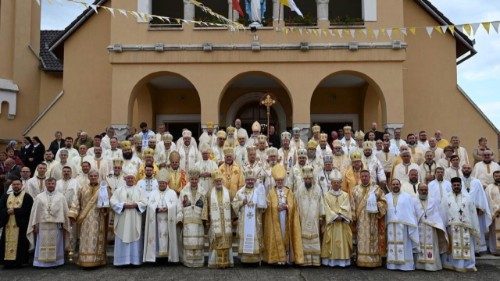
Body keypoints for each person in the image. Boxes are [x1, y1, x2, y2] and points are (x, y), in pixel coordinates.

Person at [262, 165, 304, 265]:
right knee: (277, 235)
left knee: (285, 235)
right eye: (277, 181)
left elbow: (294, 205)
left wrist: (287, 207)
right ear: (275, 181)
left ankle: (287, 258)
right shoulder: (271, 193)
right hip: (275, 219)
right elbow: (267, 207)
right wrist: (276, 208)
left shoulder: (289, 192)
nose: (279, 182)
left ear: (283, 180)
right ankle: (276, 258)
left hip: (286, 218)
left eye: (281, 181)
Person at [68, 169, 110, 268]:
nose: (93, 178)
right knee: (85, 239)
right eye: (91, 176)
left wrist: (105, 209)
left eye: (95, 176)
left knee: (96, 239)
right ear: (88, 177)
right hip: (85, 218)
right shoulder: (82, 188)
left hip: (98, 218)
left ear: (98, 177)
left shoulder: (103, 189)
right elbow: (76, 201)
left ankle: (98, 260)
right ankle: (83, 260)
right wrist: (73, 214)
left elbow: (108, 203)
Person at [27, 177, 70, 268]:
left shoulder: (61, 196)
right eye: (49, 184)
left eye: (52, 184)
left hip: (56, 225)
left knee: (57, 244)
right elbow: (35, 212)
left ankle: (56, 262)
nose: (50, 185)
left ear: (55, 184)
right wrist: (35, 225)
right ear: (46, 185)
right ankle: (41, 263)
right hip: (42, 225)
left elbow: (65, 211)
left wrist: (64, 223)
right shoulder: (39, 197)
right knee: (41, 243)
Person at [442, 177, 480, 272]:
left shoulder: (468, 197)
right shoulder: (446, 197)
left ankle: (468, 265)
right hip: (452, 226)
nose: (456, 187)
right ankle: (453, 265)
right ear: (451, 186)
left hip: (466, 227)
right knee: (453, 246)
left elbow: (472, 212)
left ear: (461, 185)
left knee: (466, 246)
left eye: (458, 185)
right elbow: (443, 212)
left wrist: (474, 226)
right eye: (454, 185)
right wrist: (444, 225)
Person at [111, 172, 148, 266]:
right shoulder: (118, 190)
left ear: (134, 179)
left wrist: (136, 205)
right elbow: (112, 201)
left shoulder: (140, 190)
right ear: (125, 179)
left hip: (134, 217)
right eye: (128, 178)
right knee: (121, 236)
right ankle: (121, 261)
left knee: (134, 235)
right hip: (122, 217)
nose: (130, 180)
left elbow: (144, 202)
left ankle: (134, 261)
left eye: (132, 178)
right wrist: (123, 205)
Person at [352, 170, 387, 268]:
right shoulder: (355, 190)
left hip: (373, 220)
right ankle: (360, 260)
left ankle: (374, 261)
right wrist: (353, 217)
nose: (364, 178)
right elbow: (352, 204)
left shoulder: (376, 189)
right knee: (361, 240)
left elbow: (384, 202)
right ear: (360, 177)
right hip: (360, 221)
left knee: (373, 240)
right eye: (362, 176)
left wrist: (376, 205)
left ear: (369, 177)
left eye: (366, 176)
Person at [143, 168, 179, 263]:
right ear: (158, 183)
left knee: (167, 235)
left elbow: (175, 205)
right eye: (160, 183)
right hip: (156, 219)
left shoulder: (172, 193)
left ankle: (170, 256)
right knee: (156, 235)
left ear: (167, 183)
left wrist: (168, 208)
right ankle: (156, 255)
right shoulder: (153, 193)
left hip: (168, 218)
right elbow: (150, 205)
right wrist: (156, 208)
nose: (162, 184)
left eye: (164, 183)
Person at [232, 169, 267, 264]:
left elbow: (264, 205)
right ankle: (244, 259)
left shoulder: (258, 191)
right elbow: (234, 204)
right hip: (244, 221)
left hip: (255, 221)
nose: (250, 181)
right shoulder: (240, 192)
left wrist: (261, 205)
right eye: (248, 180)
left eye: (252, 180)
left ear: (255, 181)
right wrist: (241, 203)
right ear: (245, 180)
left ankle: (255, 259)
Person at [385, 179, 419, 271]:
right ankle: (392, 265)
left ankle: (406, 266)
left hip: (403, 225)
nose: (395, 186)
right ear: (390, 186)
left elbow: (410, 211)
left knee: (405, 244)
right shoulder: (386, 197)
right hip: (391, 224)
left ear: (400, 185)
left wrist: (410, 223)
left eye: (397, 184)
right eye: (393, 184)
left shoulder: (407, 197)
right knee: (391, 244)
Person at [321, 170, 353, 267]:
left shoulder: (345, 195)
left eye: (338, 183)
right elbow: (325, 208)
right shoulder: (326, 195)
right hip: (332, 223)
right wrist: (335, 216)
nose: (336, 184)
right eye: (334, 182)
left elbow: (346, 206)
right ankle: (330, 261)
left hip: (342, 223)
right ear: (331, 183)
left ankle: (343, 261)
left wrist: (341, 216)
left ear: (340, 184)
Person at [177, 168, 208, 267]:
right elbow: (179, 206)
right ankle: (188, 261)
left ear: (198, 179)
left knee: (198, 240)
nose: (194, 181)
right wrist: (180, 217)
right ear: (189, 179)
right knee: (189, 241)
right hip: (188, 220)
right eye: (192, 179)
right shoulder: (183, 192)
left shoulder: (203, 191)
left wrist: (205, 218)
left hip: (198, 220)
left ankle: (198, 262)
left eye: (196, 179)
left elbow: (206, 207)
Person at [0, 177, 33, 268]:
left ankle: (20, 262)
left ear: (22, 185)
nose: (16, 186)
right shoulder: (6, 196)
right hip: (8, 224)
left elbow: (28, 210)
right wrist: (6, 211)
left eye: (18, 184)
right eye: (14, 185)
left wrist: (14, 211)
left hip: (20, 225)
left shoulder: (27, 197)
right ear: (11, 186)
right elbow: (1, 209)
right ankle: (7, 262)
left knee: (21, 244)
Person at [295, 165, 325, 266]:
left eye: (309, 178)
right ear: (303, 179)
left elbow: (321, 202)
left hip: (315, 218)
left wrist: (321, 216)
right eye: (306, 178)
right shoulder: (299, 189)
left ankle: (315, 261)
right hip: (302, 218)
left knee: (315, 238)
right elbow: (296, 203)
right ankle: (305, 261)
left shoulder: (317, 188)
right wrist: (297, 217)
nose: (308, 180)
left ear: (312, 178)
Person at [414, 183, 448, 271]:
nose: (424, 191)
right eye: (421, 190)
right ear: (418, 191)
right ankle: (419, 265)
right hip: (419, 226)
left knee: (432, 245)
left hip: (431, 227)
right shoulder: (414, 201)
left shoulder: (433, 200)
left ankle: (432, 266)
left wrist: (437, 224)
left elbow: (437, 214)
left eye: (425, 190)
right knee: (419, 245)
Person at [461, 164, 492, 254]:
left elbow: (481, 195)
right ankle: (467, 248)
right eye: (465, 168)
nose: (466, 169)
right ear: (461, 169)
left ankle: (477, 249)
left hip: (475, 210)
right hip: (463, 210)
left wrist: (481, 207)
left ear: (471, 170)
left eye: (468, 168)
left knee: (476, 227)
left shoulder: (477, 181)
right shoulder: (459, 181)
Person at [207, 171, 234, 268]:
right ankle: (215, 262)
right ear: (214, 182)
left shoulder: (228, 192)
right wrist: (207, 219)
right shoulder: (210, 193)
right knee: (216, 241)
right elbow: (207, 207)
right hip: (215, 222)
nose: (218, 183)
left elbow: (232, 206)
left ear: (222, 181)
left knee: (226, 241)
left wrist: (233, 219)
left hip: (226, 222)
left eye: (220, 181)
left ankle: (227, 262)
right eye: (216, 181)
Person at [485, 170, 500, 255]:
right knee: (494, 233)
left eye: (499, 176)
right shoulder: (489, 187)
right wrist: (496, 210)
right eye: (496, 176)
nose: (498, 177)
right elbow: (488, 200)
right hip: (495, 214)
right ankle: (495, 250)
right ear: (493, 177)